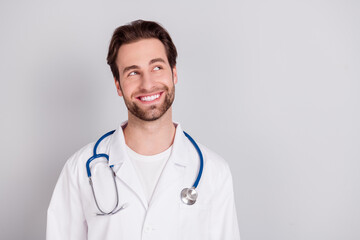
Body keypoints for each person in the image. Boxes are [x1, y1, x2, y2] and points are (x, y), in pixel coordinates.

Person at [46, 19, 240, 240]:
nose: (147, 84)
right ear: (118, 86)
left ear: (174, 74)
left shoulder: (214, 172)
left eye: (157, 67)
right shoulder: (79, 170)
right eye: (132, 73)